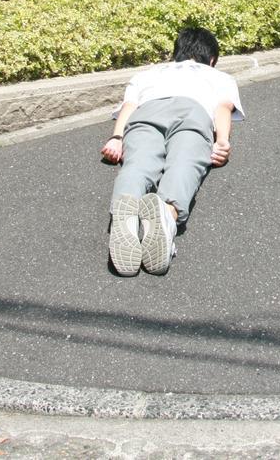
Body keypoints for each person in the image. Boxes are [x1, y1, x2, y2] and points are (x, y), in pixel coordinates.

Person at [100, 27, 244, 276]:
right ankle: (166, 215)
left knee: (138, 165)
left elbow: (129, 105)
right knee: (183, 164)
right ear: (211, 59)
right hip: (193, 112)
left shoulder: (148, 73)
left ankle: (127, 214)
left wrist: (117, 137)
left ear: (175, 53)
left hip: (147, 112)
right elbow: (222, 107)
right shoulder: (217, 76)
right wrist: (221, 141)